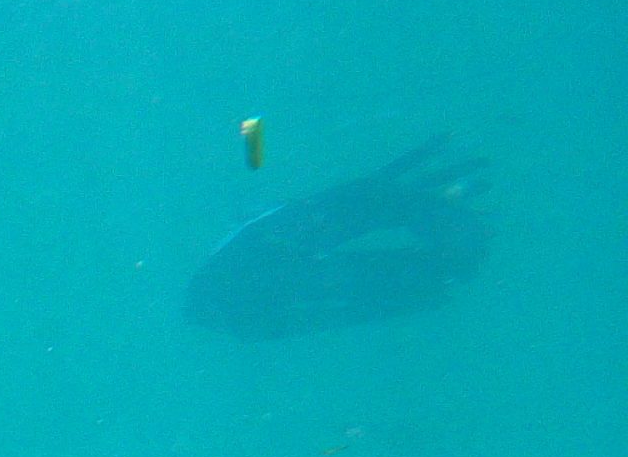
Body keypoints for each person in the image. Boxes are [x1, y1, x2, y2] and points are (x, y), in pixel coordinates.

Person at [184, 138, 490, 340]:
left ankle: (442, 231)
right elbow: (326, 312)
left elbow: (326, 313)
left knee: (353, 253)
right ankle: (443, 221)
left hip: (263, 268)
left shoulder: (237, 308)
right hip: (263, 264)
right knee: (358, 230)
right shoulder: (237, 302)